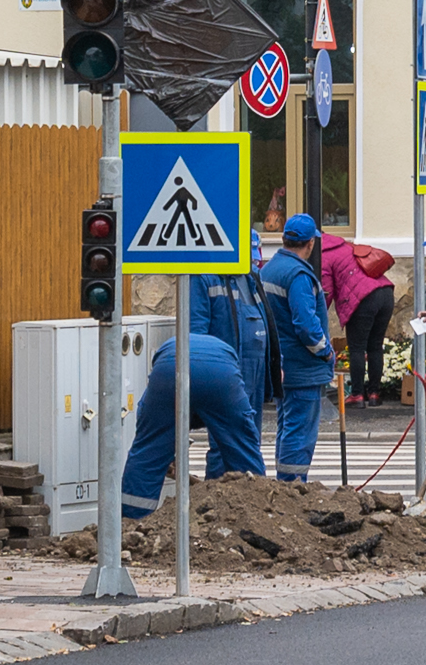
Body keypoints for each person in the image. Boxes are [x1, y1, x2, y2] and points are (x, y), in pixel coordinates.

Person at [118, 333, 265, 518]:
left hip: (170, 368)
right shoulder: (224, 351)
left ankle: (132, 520)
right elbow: (233, 424)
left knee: (148, 451)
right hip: (220, 374)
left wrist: (163, 451)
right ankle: (257, 514)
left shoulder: (166, 352)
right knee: (242, 446)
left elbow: (148, 421)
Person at [255, 215, 336, 481]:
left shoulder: (268, 269)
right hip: (303, 368)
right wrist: (326, 351)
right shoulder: (299, 275)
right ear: (310, 243)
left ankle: (285, 486)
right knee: (299, 432)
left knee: (287, 426)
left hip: (281, 365)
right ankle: (293, 487)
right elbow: (306, 326)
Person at [189, 259, 272, 413]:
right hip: (224, 371)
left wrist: (276, 362)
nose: (254, 261)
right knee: (230, 430)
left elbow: (268, 320)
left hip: (256, 369)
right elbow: (196, 335)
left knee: (251, 431)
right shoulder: (204, 277)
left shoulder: (252, 275)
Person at [321, 232, 394, 406]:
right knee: (375, 346)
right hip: (385, 293)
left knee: (357, 348)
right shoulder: (345, 245)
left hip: (363, 299)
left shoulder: (323, 254)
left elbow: (326, 291)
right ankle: (375, 393)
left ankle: (357, 395)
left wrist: (318, 314)